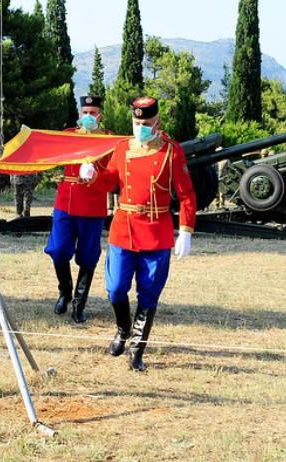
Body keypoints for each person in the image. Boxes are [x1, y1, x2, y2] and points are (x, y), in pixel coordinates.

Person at [79, 96, 196, 371]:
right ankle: (122, 328)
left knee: (149, 293)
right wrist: (93, 175)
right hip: (124, 228)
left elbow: (187, 194)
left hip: (156, 231)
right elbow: (110, 180)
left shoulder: (171, 151)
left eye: (146, 122)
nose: (140, 126)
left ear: (157, 122)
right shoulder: (122, 148)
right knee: (116, 287)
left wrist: (186, 230)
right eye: (136, 122)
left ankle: (136, 350)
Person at [44, 95, 113, 323]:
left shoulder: (109, 140)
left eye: (93, 113)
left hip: (93, 204)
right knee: (59, 249)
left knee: (88, 255)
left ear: (99, 116)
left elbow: (113, 172)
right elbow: (47, 151)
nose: (88, 117)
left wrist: (95, 173)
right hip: (66, 201)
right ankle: (64, 291)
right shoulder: (68, 135)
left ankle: (79, 302)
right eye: (85, 113)